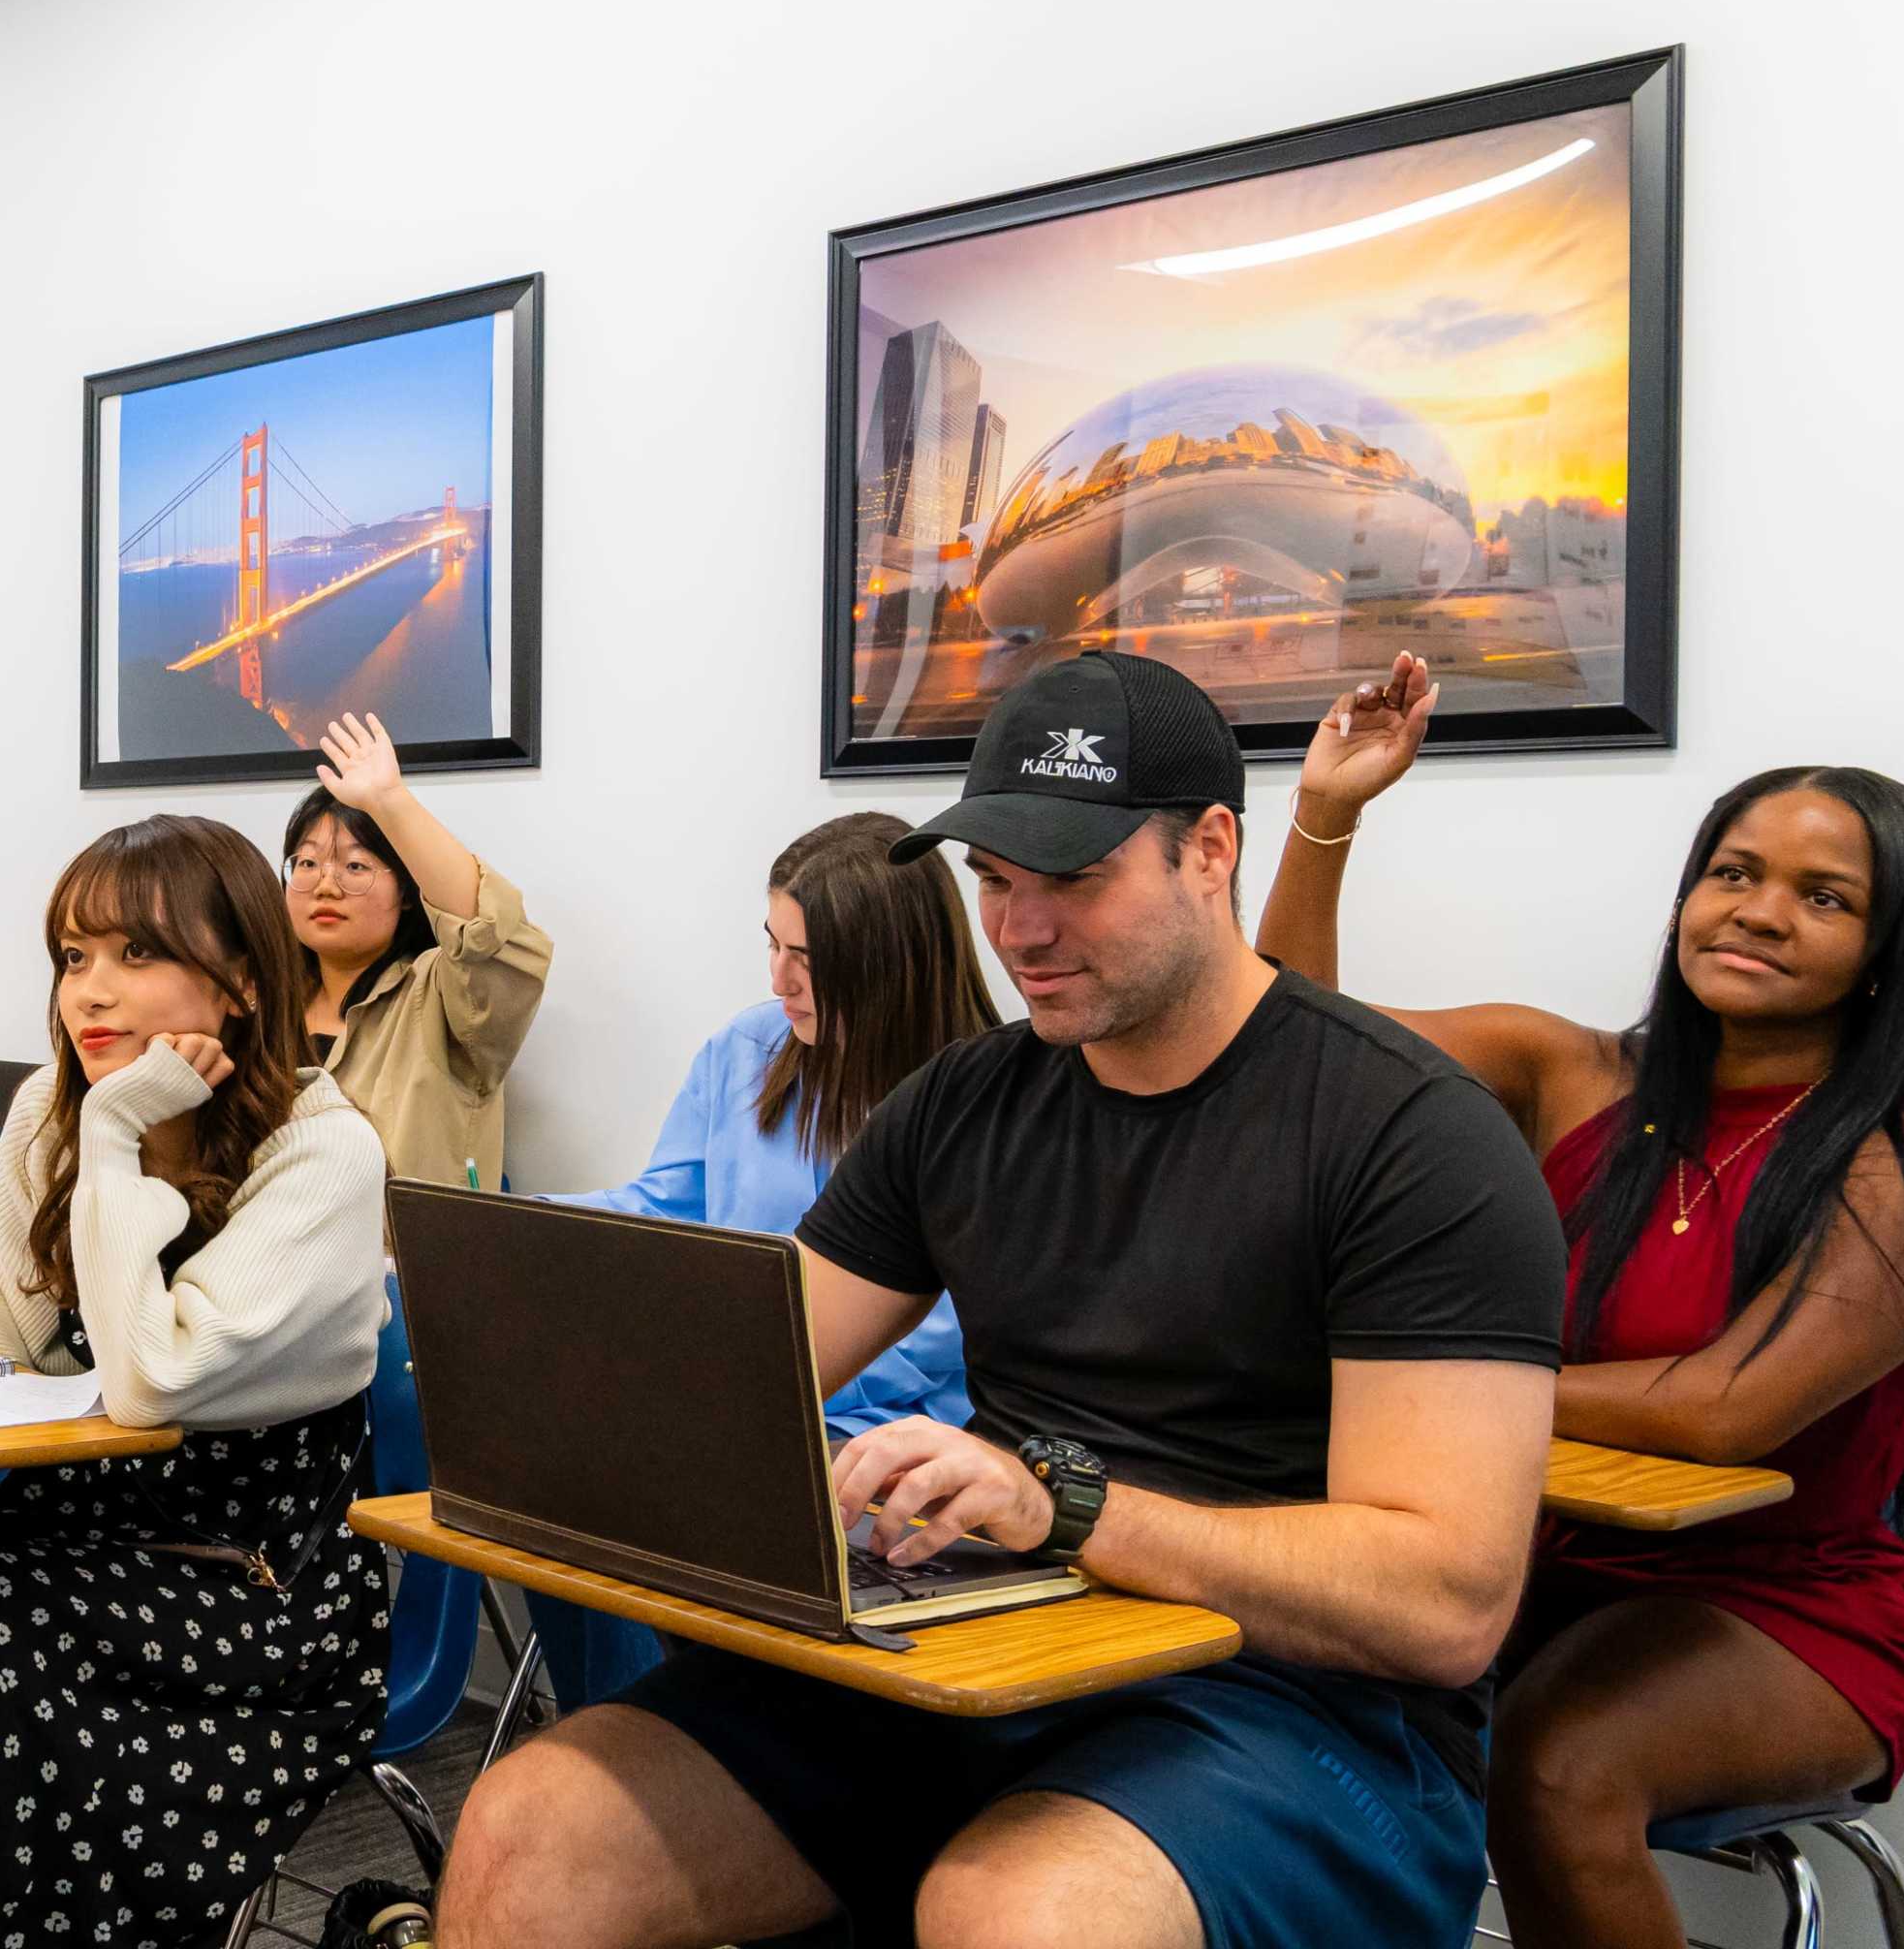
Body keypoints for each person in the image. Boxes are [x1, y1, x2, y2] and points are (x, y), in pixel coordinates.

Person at [434, 649, 1569, 1949]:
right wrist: (525, 1378)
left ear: (1210, 850)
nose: (1022, 930)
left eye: (1075, 881)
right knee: (532, 1828)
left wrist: (1063, 1507)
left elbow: (1445, 1601)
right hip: (988, 1652)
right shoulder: (969, 1103)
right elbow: (743, 1377)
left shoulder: (1409, 1135)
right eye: (995, 882)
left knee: (1016, 1910)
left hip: (1292, 1707)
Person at [1258, 654, 1904, 1949]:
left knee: (1558, 1765)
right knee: (1256, 1688)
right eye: (1734, 873)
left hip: (1794, 1610)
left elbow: (1725, 1412)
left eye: (1824, 898)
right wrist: (1329, 813)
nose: (1760, 912)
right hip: (1530, 1566)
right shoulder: (1573, 1073)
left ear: (1888, 952)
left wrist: (1425, 1400)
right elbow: (1293, 1050)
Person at [0, 813, 393, 1949]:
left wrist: (112, 1135)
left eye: (136, 955)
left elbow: (150, 1380)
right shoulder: (60, 1115)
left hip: (256, 1585)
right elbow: (9, 1312)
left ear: (243, 979)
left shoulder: (318, 1151)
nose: (90, 993)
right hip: (77, 1541)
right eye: (73, 957)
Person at [520, 809, 998, 1710]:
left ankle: (674, 1739)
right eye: (772, 944)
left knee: (628, 1495)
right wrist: (515, 1234)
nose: (779, 979)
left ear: (888, 962)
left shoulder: (982, 1097)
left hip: (885, 1451)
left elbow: (940, 1343)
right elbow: (659, 1212)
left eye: (806, 958)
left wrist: (725, 1372)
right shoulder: (748, 1049)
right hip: (744, 1414)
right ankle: (631, 1740)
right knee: (555, 1480)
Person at [285, 711, 552, 1187]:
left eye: (355, 866)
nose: (325, 884)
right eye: (307, 862)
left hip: (403, 1260)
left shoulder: (442, 998)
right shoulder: (263, 1004)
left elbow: (487, 931)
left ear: (407, 892)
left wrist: (390, 802)